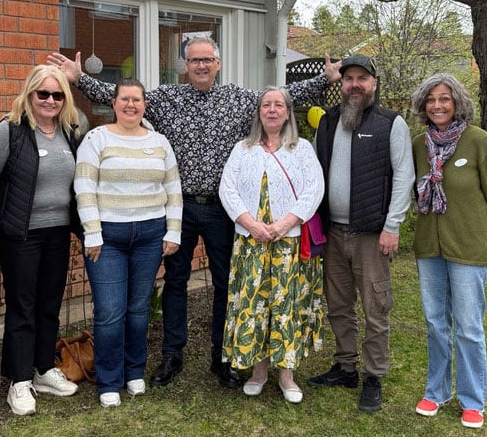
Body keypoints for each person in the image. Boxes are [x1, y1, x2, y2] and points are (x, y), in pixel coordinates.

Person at [49, 37, 339, 389]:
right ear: (185, 65)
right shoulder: (167, 98)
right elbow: (123, 97)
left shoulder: (240, 99)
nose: (201, 65)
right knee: (174, 281)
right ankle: (173, 353)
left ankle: (223, 356)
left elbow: (281, 100)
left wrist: (325, 79)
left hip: (222, 210)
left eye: (208, 59)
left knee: (225, 283)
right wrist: (80, 79)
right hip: (180, 207)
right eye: (194, 60)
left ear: (218, 63)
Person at [307, 54, 414, 415]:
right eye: (348, 78)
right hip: (332, 232)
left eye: (362, 78)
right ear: (342, 84)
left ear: (374, 84)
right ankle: (345, 366)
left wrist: (392, 225)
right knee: (337, 304)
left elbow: (403, 177)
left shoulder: (390, 123)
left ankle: (373, 375)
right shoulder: (328, 122)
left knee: (375, 307)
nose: (354, 84)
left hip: (371, 233)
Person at [73, 78, 183, 408]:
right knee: (109, 311)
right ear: (114, 103)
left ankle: (134, 370)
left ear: (144, 105)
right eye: (124, 99)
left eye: (137, 99)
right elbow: (84, 187)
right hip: (107, 239)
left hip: (150, 236)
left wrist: (173, 231)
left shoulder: (160, 142)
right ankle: (109, 379)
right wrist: (92, 232)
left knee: (137, 309)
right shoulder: (96, 138)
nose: (130, 105)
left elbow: (173, 189)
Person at [409, 73, 487, 429]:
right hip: (429, 247)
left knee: (468, 326)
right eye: (431, 99)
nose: (437, 105)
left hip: (469, 248)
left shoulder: (479, 142)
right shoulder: (419, 144)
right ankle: (436, 391)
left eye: (444, 99)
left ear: (458, 103)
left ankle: (472, 399)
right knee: (436, 323)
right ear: (424, 105)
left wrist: (485, 238)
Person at [218, 86, 325, 405]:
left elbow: (313, 189)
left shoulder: (302, 149)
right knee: (255, 304)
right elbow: (228, 189)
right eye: (267, 104)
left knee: (286, 305)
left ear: (289, 112)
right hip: (251, 243)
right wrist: (251, 224)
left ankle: (287, 376)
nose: (273, 110)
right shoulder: (243, 149)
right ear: (259, 112)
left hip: (287, 243)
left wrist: (284, 223)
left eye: (279, 105)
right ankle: (258, 372)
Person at [0, 65, 83, 416]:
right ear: (29, 95)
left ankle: (43, 369)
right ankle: (20, 380)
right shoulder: (8, 132)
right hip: (21, 236)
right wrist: (0, 222)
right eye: (43, 93)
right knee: (22, 307)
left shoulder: (68, 132)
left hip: (58, 232)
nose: (50, 100)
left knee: (48, 305)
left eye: (58, 95)